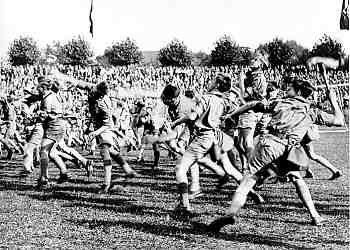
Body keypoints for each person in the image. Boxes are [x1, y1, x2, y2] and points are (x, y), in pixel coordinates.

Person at [207, 76, 344, 232]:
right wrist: (333, 100)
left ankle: (231, 213)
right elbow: (339, 120)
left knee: (248, 180)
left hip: (270, 144)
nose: (286, 89)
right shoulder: (312, 111)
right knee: (297, 179)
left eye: (290, 88)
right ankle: (315, 216)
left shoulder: (281, 103)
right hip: (289, 149)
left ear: (298, 91)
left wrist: (232, 114)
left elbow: (253, 104)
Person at [71, 80, 138, 193]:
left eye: (103, 95)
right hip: (99, 126)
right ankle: (128, 171)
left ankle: (106, 184)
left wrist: (95, 132)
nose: (101, 96)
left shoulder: (104, 104)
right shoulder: (93, 90)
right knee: (112, 151)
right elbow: (83, 85)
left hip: (105, 128)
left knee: (105, 152)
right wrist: (74, 84)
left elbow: (107, 124)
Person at [236, 53, 268, 173]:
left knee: (247, 142)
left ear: (260, 63)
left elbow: (244, 95)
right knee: (239, 143)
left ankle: (254, 170)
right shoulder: (252, 75)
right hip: (250, 110)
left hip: (250, 111)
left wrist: (240, 80)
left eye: (255, 60)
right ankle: (246, 166)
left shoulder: (257, 78)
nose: (251, 61)